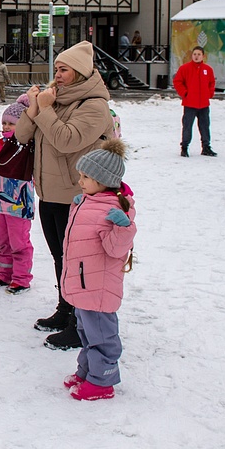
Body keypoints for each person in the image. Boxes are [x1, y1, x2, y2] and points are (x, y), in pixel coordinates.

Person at [15, 40, 115, 350]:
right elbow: (20, 136)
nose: (57, 75)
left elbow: (66, 140)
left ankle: (79, 323)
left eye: (64, 70)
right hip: (49, 192)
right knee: (61, 257)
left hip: (77, 195)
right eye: (56, 69)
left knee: (78, 261)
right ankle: (65, 309)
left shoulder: (94, 105)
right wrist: (34, 109)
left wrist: (45, 109)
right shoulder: (54, 99)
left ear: (81, 73)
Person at [61, 138, 137, 401]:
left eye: (86, 177)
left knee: (102, 335)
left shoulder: (114, 209)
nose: (80, 181)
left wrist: (123, 227)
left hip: (99, 287)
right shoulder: (88, 201)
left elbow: (116, 250)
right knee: (86, 330)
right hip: (84, 284)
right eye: (81, 175)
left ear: (104, 180)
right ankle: (87, 371)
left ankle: (102, 381)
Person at [0, 95, 35, 294]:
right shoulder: (0, 145)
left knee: (19, 242)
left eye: (11, 124)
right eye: (4, 123)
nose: (5, 127)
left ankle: (21, 278)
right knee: (2, 239)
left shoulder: (27, 148)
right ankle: (3, 273)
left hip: (19, 204)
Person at [173, 45, 218, 157]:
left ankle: (206, 147)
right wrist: (185, 93)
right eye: (194, 54)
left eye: (199, 54)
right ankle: (184, 147)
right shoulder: (185, 68)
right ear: (191, 55)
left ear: (203, 56)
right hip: (190, 104)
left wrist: (209, 93)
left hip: (203, 104)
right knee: (187, 126)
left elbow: (212, 82)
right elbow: (177, 82)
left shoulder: (208, 69)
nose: (196, 56)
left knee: (205, 126)